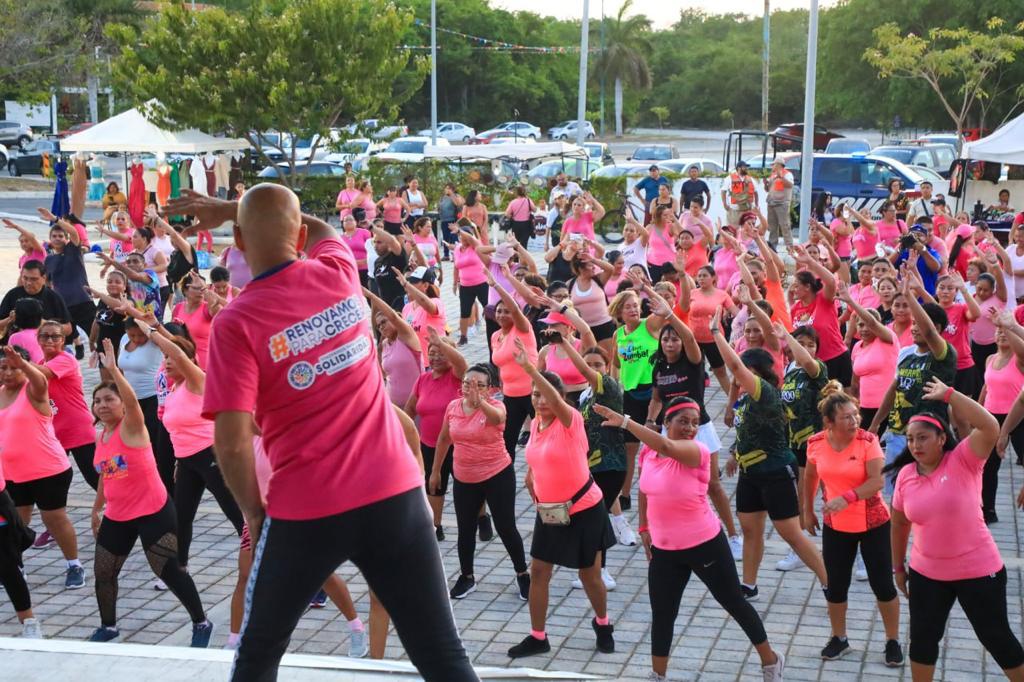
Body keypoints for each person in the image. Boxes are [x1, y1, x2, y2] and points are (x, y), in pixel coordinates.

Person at [166, 186, 476, 681]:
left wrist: (254, 511)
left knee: (258, 656)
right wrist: (238, 209)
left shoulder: (235, 321)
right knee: (442, 655)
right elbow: (326, 231)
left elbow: (229, 440)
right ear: (302, 236)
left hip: (305, 510)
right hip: (395, 495)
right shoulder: (338, 273)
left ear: (239, 242)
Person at [594, 397, 786, 682]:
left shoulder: (697, 450)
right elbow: (645, 489)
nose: (690, 428)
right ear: (666, 423)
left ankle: (770, 660)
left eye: (695, 423)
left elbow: (667, 446)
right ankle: (658, 675)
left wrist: (624, 422)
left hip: (704, 544)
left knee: (733, 601)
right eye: (683, 421)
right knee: (662, 614)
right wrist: (644, 527)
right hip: (665, 550)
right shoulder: (649, 452)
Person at [889, 379, 1024, 681]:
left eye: (922, 438)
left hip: (979, 571)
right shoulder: (906, 476)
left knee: (997, 639)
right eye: (910, 439)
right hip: (927, 574)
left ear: (941, 438)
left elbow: (989, 426)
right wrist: (898, 566)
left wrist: (950, 394)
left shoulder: (964, 460)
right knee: (922, 642)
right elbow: (898, 523)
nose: (915, 445)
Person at [87, 338, 213, 646]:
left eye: (109, 400)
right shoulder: (101, 435)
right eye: (98, 401)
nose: (103, 405)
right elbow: (107, 472)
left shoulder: (133, 427)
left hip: (154, 512)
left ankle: (201, 622)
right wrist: (96, 508)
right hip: (118, 515)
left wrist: (114, 371)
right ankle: (109, 626)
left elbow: (132, 403)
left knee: (168, 571)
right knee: (104, 572)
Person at [507, 339, 616, 659]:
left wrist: (530, 368)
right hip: (552, 513)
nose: (541, 401)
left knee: (589, 575)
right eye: (535, 394)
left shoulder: (571, 420)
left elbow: (554, 399)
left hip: (584, 509)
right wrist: (534, 485)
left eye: (546, 395)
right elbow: (539, 464)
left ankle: (603, 623)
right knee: (539, 571)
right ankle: (538, 636)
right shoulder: (538, 426)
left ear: (561, 398)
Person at [710, 308, 827, 601]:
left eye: (746, 372)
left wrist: (715, 333)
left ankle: (829, 581)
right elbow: (746, 430)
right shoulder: (747, 400)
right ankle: (749, 584)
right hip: (750, 474)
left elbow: (734, 369)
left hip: (775, 472)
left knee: (790, 532)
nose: (740, 378)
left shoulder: (765, 392)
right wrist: (735, 454)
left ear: (760, 373)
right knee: (750, 529)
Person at [804, 385, 902, 666]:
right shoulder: (816, 443)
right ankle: (839, 638)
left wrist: (846, 498)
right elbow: (810, 477)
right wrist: (806, 510)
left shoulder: (867, 441)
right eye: (847, 417)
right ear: (829, 422)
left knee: (882, 584)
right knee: (836, 585)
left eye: (856, 414)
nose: (854, 420)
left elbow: (877, 481)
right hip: (835, 525)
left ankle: (892, 640)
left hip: (873, 524)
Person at [647, 311, 742, 559]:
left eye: (674, 339)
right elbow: (657, 399)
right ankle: (673, 532)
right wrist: (649, 421)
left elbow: (690, 339)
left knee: (713, 484)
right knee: (671, 484)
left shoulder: (692, 360)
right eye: (666, 339)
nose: (670, 343)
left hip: (700, 429)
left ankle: (732, 536)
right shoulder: (658, 365)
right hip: (671, 434)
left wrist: (669, 315)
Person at [431, 363, 529, 600]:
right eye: (466, 383)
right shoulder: (453, 407)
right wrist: (435, 471)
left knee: (506, 526)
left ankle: (523, 574)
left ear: (491, 389)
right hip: (464, 477)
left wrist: (480, 403)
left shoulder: (497, 406)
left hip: (497, 473)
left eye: (478, 385)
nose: (470, 388)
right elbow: (444, 439)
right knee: (465, 528)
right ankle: (467, 577)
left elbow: (497, 419)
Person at [869, 278, 957, 492]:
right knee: (896, 495)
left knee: (925, 492)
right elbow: (894, 388)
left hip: (928, 435)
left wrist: (909, 295)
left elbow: (929, 333)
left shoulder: (943, 355)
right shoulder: (906, 354)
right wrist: (876, 423)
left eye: (920, 323)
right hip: (899, 434)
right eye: (914, 323)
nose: (915, 328)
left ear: (936, 329)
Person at [772, 323, 829, 573]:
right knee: (801, 499)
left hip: (819, 442)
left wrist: (789, 337)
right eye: (801, 343)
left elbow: (807, 362)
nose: (805, 348)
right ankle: (800, 550)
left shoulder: (816, 369)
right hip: (796, 443)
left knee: (833, 495)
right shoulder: (789, 369)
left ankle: (855, 549)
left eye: (811, 344)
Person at [610, 285, 670, 511]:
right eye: (628, 307)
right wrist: (613, 388)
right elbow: (615, 365)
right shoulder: (618, 335)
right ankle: (625, 495)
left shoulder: (649, 325)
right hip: (631, 395)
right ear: (619, 312)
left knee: (657, 445)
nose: (633, 310)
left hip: (654, 393)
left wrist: (646, 288)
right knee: (629, 449)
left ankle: (660, 491)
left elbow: (665, 310)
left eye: (635, 305)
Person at [406, 329, 467, 539]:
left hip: (458, 443)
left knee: (466, 486)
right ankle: (436, 527)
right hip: (429, 444)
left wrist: (441, 344)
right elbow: (410, 409)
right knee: (434, 486)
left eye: (441, 353)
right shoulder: (423, 380)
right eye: (431, 353)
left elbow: (462, 364)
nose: (435, 357)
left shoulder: (457, 376)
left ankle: (481, 516)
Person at [34, 320, 99, 491]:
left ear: (63, 340)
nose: (49, 340)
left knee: (96, 478)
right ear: (38, 339)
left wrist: (18, 363)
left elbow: (43, 375)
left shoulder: (65, 360)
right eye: (45, 336)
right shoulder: (40, 363)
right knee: (53, 480)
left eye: (55, 337)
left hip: (78, 429)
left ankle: (123, 509)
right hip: (56, 432)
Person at [486, 269, 539, 459]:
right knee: (507, 441)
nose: (501, 314)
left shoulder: (522, 329)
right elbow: (500, 363)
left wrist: (496, 286)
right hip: (510, 395)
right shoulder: (495, 336)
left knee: (542, 437)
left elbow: (515, 310)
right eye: (499, 311)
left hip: (532, 393)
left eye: (506, 311)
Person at [978, 313, 1024, 523]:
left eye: (1004, 332)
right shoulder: (990, 359)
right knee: (988, 467)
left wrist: (1008, 326)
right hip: (991, 418)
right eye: (998, 331)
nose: (1001, 334)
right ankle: (988, 510)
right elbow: (986, 389)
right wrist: (977, 412)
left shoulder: (1019, 359)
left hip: (1017, 418)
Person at [789, 245, 851, 386]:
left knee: (842, 401)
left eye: (796, 285)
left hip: (836, 358)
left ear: (807, 287)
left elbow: (830, 281)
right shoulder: (795, 309)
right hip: (811, 363)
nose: (793, 289)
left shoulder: (823, 299)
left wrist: (810, 262)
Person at [843, 285, 899, 431]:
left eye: (867, 324)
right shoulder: (857, 347)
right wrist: (856, 405)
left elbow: (872, 322)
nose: (864, 328)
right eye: (860, 325)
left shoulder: (887, 338)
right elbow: (855, 382)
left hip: (888, 408)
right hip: (864, 408)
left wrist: (851, 302)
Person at [678, 265, 738, 395]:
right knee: (694, 372)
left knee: (720, 372)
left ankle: (734, 402)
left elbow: (736, 313)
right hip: (693, 340)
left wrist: (749, 305)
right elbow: (683, 309)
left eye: (705, 275)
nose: (701, 279)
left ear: (713, 278)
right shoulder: (692, 293)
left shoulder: (722, 295)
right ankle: (696, 401)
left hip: (714, 339)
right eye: (699, 276)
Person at [366, 288, 422, 408]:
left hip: (416, 403)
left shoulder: (406, 336)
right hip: (394, 405)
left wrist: (371, 295)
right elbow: (382, 373)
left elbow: (393, 317)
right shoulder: (385, 344)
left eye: (384, 322)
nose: (381, 327)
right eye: (378, 325)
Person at [0, 261, 72, 339]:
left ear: (44, 278)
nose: (28, 283)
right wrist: (10, 319)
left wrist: (46, 324)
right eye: (25, 278)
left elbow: (68, 329)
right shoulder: (13, 294)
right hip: (14, 345)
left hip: (44, 346)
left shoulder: (53, 297)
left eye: (33, 279)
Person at [396, 266, 446, 367]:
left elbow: (425, 302)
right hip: (414, 364)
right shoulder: (407, 308)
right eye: (409, 281)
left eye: (413, 282)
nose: (410, 285)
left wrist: (406, 284)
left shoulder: (436, 302)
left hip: (434, 363)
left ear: (426, 285)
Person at [453, 220, 491, 346]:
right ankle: (463, 337)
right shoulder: (457, 249)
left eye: (464, 236)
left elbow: (472, 238)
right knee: (464, 311)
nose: (462, 238)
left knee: (488, 309)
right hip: (465, 285)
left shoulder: (476, 246)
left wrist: (461, 230)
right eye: (460, 236)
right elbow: (456, 266)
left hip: (481, 283)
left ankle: (493, 332)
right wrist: (454, 283)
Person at [369, 222, 408, 310]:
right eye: (374, 242)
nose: (375, 246)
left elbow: (391, 240)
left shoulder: (397, 256)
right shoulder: (377, 262)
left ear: (389, 245)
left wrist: (372, 227)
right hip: (387, 308)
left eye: (379, 242)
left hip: (402, 307)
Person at [763, 158, 794, 250]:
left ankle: (789, 246)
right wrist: (765, 184)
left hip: (782, 203)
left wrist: (781, 177)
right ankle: (772, 246)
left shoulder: (787, 174)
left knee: (785, 225)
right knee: (772, 226)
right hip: (771, 203)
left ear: (779, 165)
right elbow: (768, 189)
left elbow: (790, 185)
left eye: (774, 164)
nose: (772, 166)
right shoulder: (773, 175)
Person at [339, 215, 372, 288]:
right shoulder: (340, 238)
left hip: (366, 268)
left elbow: (372, 249)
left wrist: (364, 261)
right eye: (346, 220)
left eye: (351, 219)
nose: (348, 222)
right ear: (343, 224)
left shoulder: (364, 232)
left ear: (356, 222)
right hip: (350, 269)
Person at [722, 161, 758, 226]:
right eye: (744, 167)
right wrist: (725, 204)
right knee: (733, 230)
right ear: (739, 168)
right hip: (735, 210)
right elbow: (723, 191)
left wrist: (756, 205)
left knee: (748, 230)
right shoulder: (729, 178)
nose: (746, 168)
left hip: (748, 210)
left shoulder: (751, 179)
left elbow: (756, 193)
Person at [438, 183, 464, 260]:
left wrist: (452, 194)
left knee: (454, 238)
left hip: (453, 220)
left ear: (453, 189)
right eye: (446, 188)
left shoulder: (456, 196)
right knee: (445, 238)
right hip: (444, 220)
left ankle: (455, 255)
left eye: (449, 188)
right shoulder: (442, 197)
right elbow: (440, 206)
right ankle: (446, 255)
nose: (447, 190)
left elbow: (458, 204)